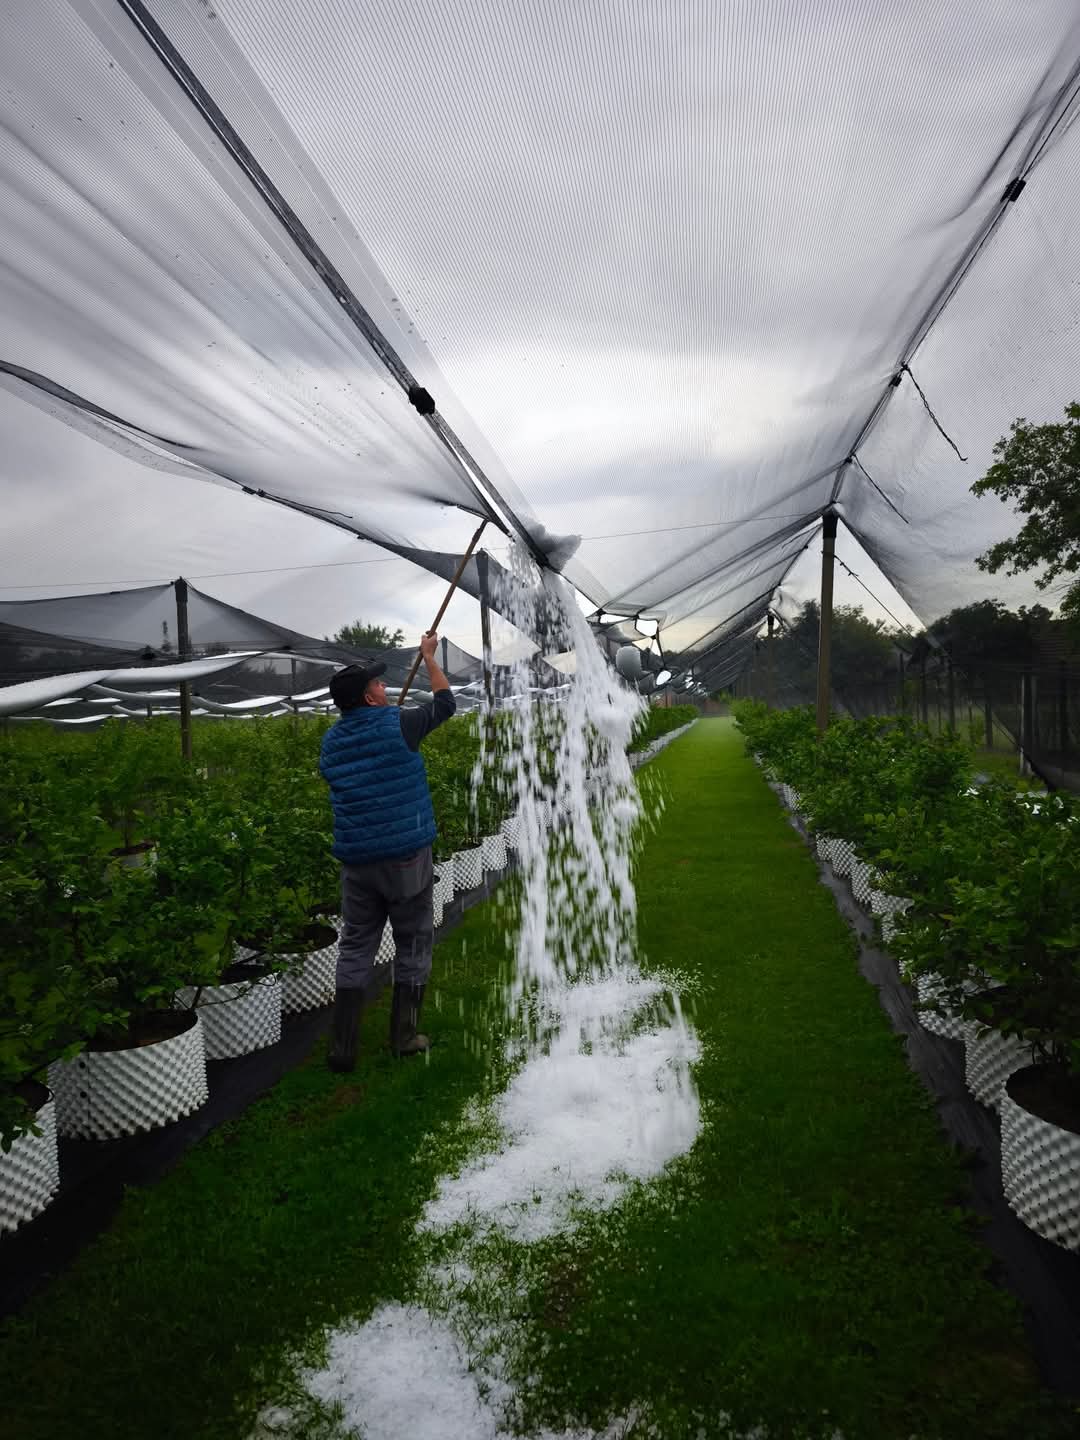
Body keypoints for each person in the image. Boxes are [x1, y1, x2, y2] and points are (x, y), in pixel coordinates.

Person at [319, 631, 456, 1072]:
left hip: (358, 862)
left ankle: (342, 1047)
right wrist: (429, 658)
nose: (383, 685)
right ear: (369, 697)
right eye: (377, 684)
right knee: (413, 939)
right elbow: (445, 705)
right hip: (405, 857)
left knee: (356, 945)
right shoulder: (399, 723)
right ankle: (403, 1035)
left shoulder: (332, 742)